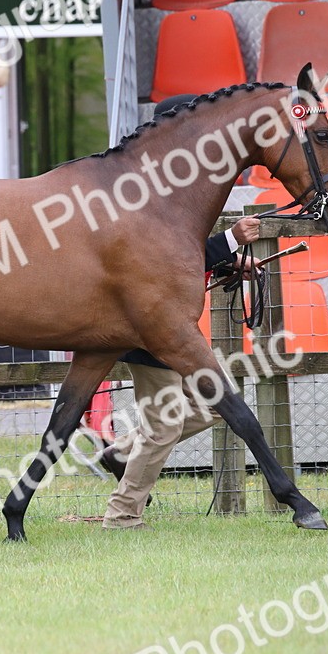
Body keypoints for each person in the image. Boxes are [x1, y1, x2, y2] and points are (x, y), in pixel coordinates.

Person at [100, 94, 260, 530]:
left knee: (209, 409)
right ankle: (123, 514)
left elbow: (182, 259)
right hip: (147, 333)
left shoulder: (170, 186)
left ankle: (120, 452)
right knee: (165, 426)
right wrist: (231, 240)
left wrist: (231, 262)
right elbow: (161, 261)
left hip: (163, 330)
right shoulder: (151, 189)